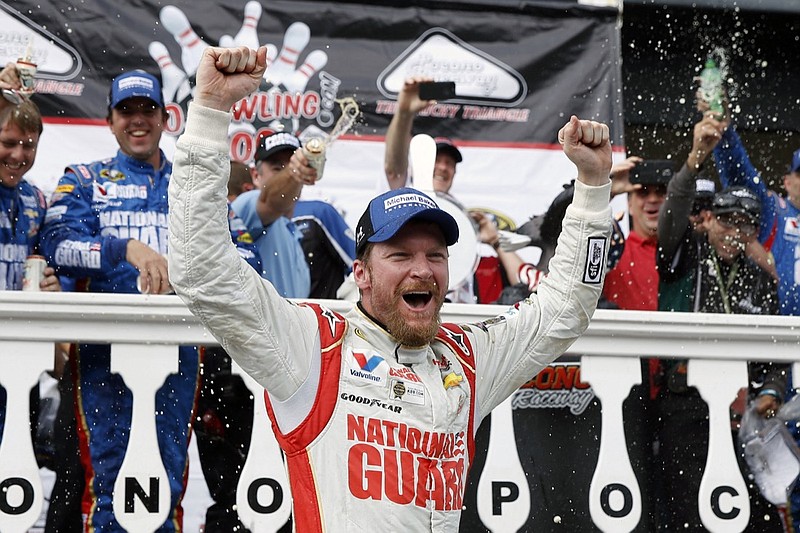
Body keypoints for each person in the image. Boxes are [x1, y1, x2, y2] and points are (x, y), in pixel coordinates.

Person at [168, 45, 612, 531]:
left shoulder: (468, 359)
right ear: (361, 273)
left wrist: (592, 186)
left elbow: (568, 304)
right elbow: (199, 269)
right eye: (400, 255)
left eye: (435, 255)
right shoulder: (314, 347)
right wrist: (210, 113)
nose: (422, 270)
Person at [40, 70, 257, 532]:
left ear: (165, 117)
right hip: (102, 355)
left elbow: (248, 259)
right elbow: (57, 245)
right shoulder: (83, 178)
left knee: (167, 476)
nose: (138, 120)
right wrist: (125, 250)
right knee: (105, 478)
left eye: (148, 110)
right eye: (127, 111)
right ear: (110, 119)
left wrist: (187, 271)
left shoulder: (195, 187)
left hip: (178, 354)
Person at [655, 112, 784, 531]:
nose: (735, 231)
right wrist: (695, 159)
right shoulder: (683, 253)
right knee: (688, 512)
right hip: (685, 403)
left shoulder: (760, 279)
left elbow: (777, 351)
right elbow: (672, 212)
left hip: (741, 412)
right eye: (727, 220)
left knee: (752, 514)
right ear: (709, 220)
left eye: (745, 225)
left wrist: (771, 391)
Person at [383, 76, 526, 303]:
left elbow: (525, 283)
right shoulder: (405, 200)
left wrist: (495, 240)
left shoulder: (462, 225)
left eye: (450, 163)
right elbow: (393, 168)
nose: (442, 167)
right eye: (436, 159)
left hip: (459, 316)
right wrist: (404, 113)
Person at [231, 130, 310, 298]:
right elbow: (271, 202)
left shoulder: (292, 230)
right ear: (255, 176)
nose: (288, 173)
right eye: (277, 168)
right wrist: (294, 172)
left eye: (292, 165)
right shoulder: (245, 204)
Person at [292, 198, 356, 299]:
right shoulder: (261, 224)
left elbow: (358, 266)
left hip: (322, 309)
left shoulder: (317, 213)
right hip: (279, 311)